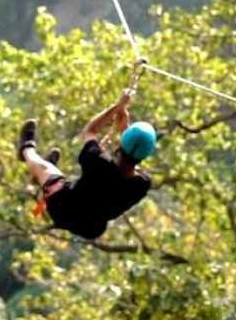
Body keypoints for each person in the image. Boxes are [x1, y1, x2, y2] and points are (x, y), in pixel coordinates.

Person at [17, 91, 155, 240]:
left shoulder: (97, 162)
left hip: (65, 210)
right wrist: (124, 127)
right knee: (59, 179)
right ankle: (45, 173)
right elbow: (127, 162)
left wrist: (118, 106)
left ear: (122, 143)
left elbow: (90, 131)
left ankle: (26, 148)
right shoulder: (142, 184)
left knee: (45, 170)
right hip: (90, 228)